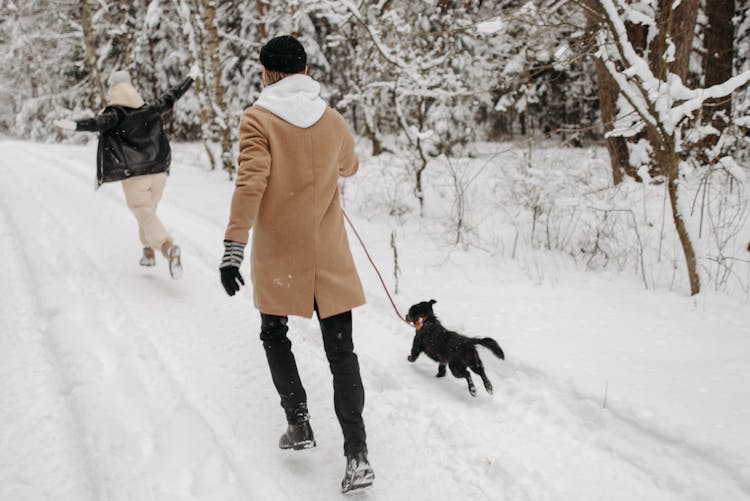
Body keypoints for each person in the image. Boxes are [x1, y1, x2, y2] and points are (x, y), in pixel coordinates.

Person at [219, 35, 374, 494]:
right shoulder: (332, 119)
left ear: (266, 73)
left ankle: (299, 424)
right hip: (328, 254)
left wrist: (233, 248)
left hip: (281, 255)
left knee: (274, 333)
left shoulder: (258, 119)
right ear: (306, 70)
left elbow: (250, 183)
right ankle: (357, 454)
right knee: (341, 353)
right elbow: (350, 166)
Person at [54, 66, 199, 279]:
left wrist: (75, 125)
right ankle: (148, 252)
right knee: (148, 212)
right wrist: (190, 78)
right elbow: (172, 96)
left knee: (143, 211)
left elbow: (96, 123)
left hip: (135, 174)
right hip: (159, 171)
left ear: (113, 90)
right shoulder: (149, 108)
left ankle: (168, 248)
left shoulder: (115, 115)